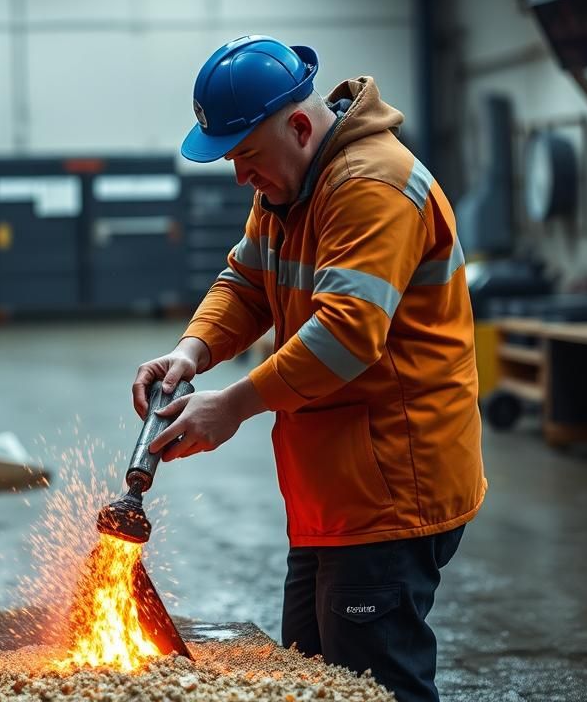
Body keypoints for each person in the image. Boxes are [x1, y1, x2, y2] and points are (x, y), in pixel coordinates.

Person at [134, 36, 486, 702]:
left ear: (299, 126)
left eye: (245, 157)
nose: (241, 178)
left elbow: (348, 336)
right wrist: (192, 351)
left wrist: (232, 404)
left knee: (374, 686)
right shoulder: (288, 186)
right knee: (312, 680)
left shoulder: (371, 185)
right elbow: (245, 280)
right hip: (334, 485)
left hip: (389, 489)